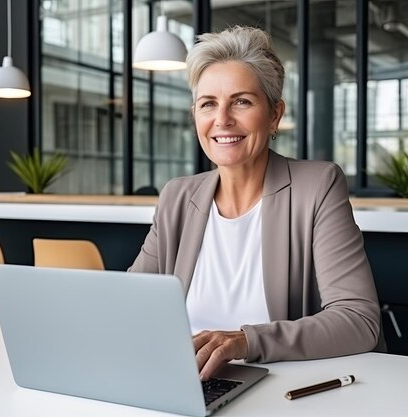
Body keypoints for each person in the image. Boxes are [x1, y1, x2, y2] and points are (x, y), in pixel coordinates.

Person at [129, 26, 380, 381]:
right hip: (184, 383)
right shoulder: (177, 196)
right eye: (208, 104)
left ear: (274, 114)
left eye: (241, 101)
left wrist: (245, 341)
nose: (222, 120)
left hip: (279, 390)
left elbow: (359, 320)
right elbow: (131, 304)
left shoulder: (317, 186)